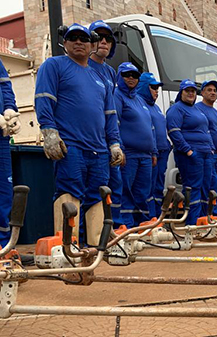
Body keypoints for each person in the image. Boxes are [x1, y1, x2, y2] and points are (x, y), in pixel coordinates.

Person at [35, 23, 123, 246]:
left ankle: (94, 246)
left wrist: (114, 144)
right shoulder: (54, 66)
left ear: (91, 44)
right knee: (69, 192)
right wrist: (50, 132)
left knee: (97, 195)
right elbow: (44, 98)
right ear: (64, 43)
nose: (78, 42)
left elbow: (110, 115)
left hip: (98, 151)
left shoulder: (100, 78)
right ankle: (66, 246)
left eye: (83, 39)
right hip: (71, 146)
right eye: (72, 38)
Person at [88, 20, 123, 227]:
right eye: (98, 37)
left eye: (108, 38)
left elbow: (111, 111)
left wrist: (115, 143)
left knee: (114, 185)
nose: (103, 41)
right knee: (91, 189)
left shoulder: (110, 72)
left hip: (106, 140)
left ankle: (114, 228)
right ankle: (87, 236)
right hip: (88, 139)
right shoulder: (83, 66)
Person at [114, 63, 156, 227]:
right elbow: (114, 123)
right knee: (126, 190)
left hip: (145, 156)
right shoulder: (117, 95)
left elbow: (149, 126)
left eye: (135, 75)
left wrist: (153, 152)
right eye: (127, 75)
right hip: (129, 154)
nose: (131, 78)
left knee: (142, 192)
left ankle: (142, 224)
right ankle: (126, 225)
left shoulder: (139, 99)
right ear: (120, 76)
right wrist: (120, 148)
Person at [166, 79, 214, 224]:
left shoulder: (196, 109)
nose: (191, 93)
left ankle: (203, 220)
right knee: (193, 187)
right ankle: (192, 223)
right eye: (188, 91)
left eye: (193, 91)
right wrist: (188, 151)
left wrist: (211, 148)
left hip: (205, 153)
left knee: (206, 186)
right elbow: (174, 132)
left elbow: (205, 130)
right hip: (192, 155)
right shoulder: (176, 109)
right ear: (181, 92)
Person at [136, 72, 170, 217]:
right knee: (146, 188)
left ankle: (156, 217)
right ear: (144, 86)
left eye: (158, 87)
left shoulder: (155, 107)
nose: (157, 90)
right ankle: (148, 217)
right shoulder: (139, 102)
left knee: (158, 187)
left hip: (162, 152)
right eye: (153, 87)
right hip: (149, 154)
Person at [0, 58, 21, 248]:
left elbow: (5, 87)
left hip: (1, 137)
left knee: (4, 192)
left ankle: (4, 247)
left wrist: (10, 110)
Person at [196, 80, 217, 215]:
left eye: (214, 90)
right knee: (207, 184)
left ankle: (214, 212)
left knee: (215, 184)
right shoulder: (198, 109)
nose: (213, 93)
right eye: (209, 90)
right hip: (206, 153)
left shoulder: (216, 112)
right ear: (202, 93)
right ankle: (208, 213)